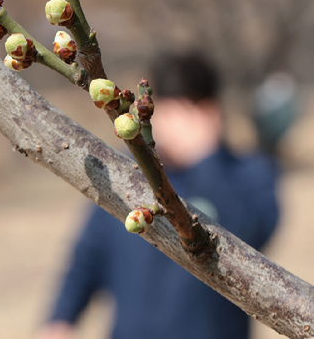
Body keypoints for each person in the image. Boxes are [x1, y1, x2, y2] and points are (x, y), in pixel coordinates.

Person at [39, 52, 279, 339]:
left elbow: (252, 232)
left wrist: (206, 158)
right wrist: (60, 319)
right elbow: (89, 256)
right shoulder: (126, 175)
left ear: (212, 113)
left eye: (189, 113)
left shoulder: (247, 174)